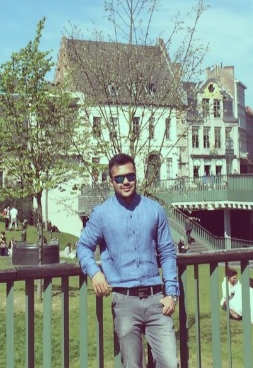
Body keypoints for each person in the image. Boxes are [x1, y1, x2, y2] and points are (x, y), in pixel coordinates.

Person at [77, 153, 179, 368]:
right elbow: (83, 246)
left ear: (136, 176)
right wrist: (95, 272)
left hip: (157, 299)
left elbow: (167, 251)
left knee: (170, 363)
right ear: (111, 181)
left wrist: (171, 294)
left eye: (130, 176)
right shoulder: (101, 214)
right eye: (119, 178)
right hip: (124, 301)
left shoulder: (155, 210)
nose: (126, 182)